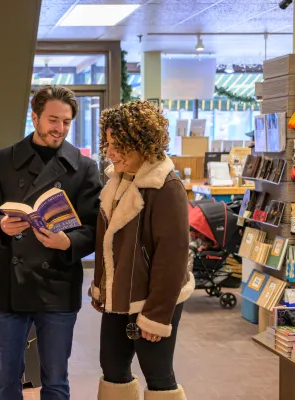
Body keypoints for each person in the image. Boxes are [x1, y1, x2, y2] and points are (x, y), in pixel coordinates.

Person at [0, 85, 102, 400]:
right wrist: (0, 225)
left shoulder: (83, 168)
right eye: (53, 120)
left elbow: (95, 226)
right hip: (9, 290)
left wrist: (66, 243)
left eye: (66, 122)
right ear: (35, 117)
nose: (59, 128)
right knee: (5, 383)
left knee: (56, 382)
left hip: (58, 284)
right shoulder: (3, 160)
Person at [89, 100, 194, 400]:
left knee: (158, 373)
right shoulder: (118, 180)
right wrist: (101, 288)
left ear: (142, 143)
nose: (109, 152)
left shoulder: (166, 186)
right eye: (107, 144)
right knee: (112, 366)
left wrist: (157, 316)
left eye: (117, 145)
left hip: (154, 299)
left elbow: (172, 258)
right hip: (120, 293)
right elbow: (106, 243)